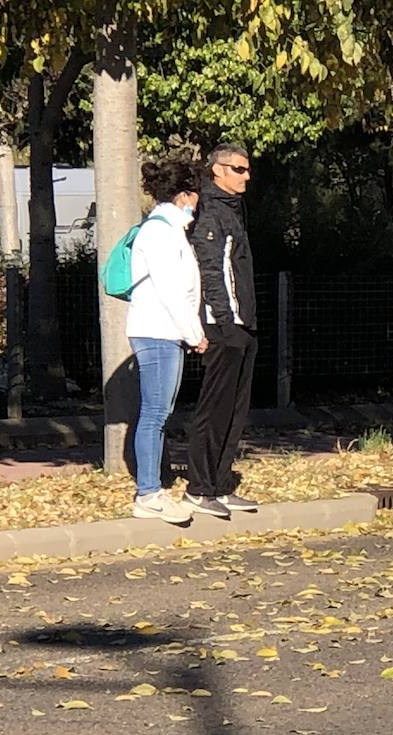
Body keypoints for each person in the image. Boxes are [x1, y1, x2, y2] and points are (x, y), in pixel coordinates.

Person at [126, 159, 206, 525]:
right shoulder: (160, 233)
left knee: (159, 413)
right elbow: (172, 291)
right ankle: (148, 493)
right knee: (155, 413)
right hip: (158, 331)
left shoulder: (168, 230)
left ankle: (153, 489)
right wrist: (194, 333)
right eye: (195, 196)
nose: (197, 203)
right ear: (185, 195)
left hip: (164, 331)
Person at [184, 143, 259, 519]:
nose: (247, 176)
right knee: (214, 408)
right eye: (239, 170)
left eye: (247, 169)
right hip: (223, 326)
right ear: (218, 171)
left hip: (243, 324)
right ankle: (199, 487)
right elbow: (211, 272)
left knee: (235, 410)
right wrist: (225, 323)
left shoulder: (232, 210)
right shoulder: (211, 212)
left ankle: (221, 483)